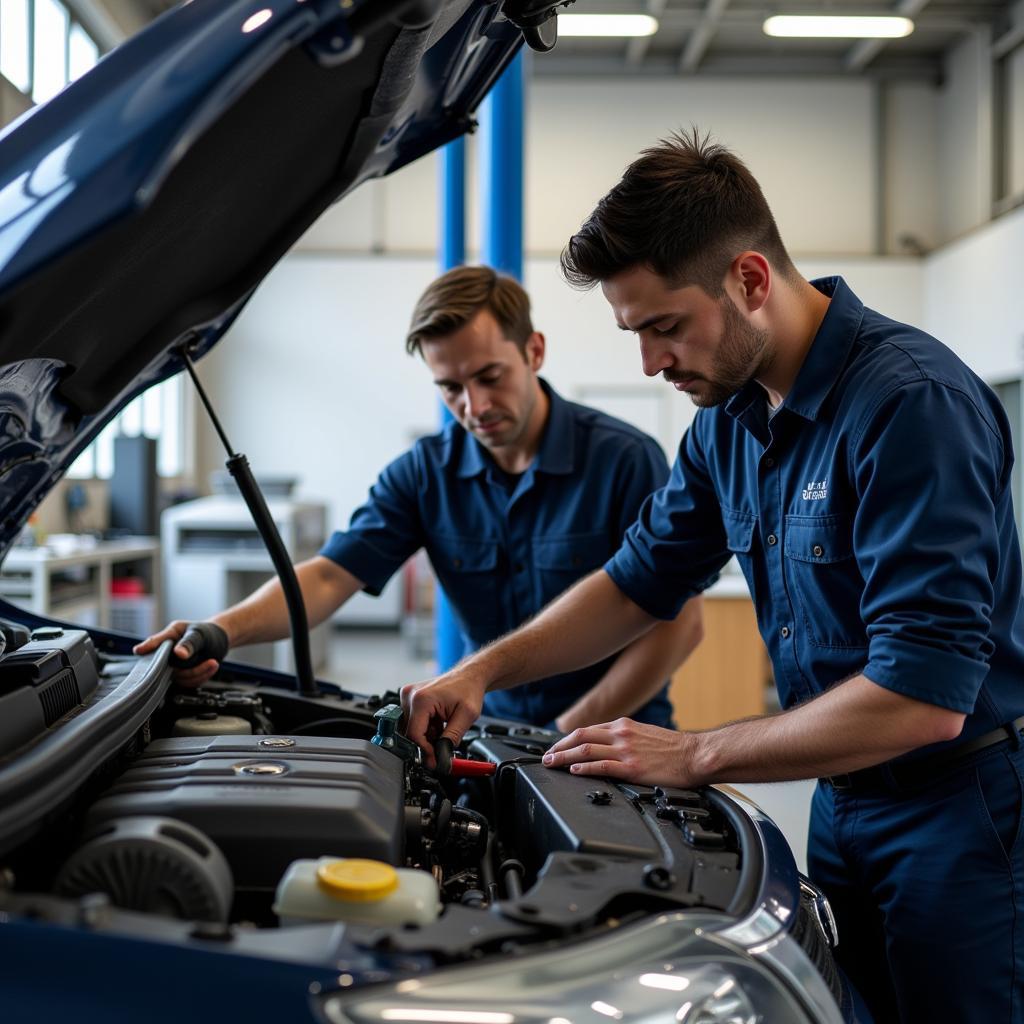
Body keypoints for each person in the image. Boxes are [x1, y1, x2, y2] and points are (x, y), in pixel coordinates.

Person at [401, 132, 1024, 1023]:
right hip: (846, 806)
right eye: (635, 333)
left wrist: (695, 753)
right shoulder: (727, 426)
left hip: (962, 815)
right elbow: (634, 585)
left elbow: (923, 694)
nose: (651, 363)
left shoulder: (910, 404)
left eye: (665, 326)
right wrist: (481, 673)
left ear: (751, 280)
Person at [136, 265, 703, 733]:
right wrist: (219, 631)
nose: (474, 406)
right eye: (451, 388)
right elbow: (331, 577)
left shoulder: (624, 460)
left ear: (533, 351)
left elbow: (679, 625)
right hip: (491, 730)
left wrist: (567, 730)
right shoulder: (423, 474)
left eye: (490, 376)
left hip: (618, 735)